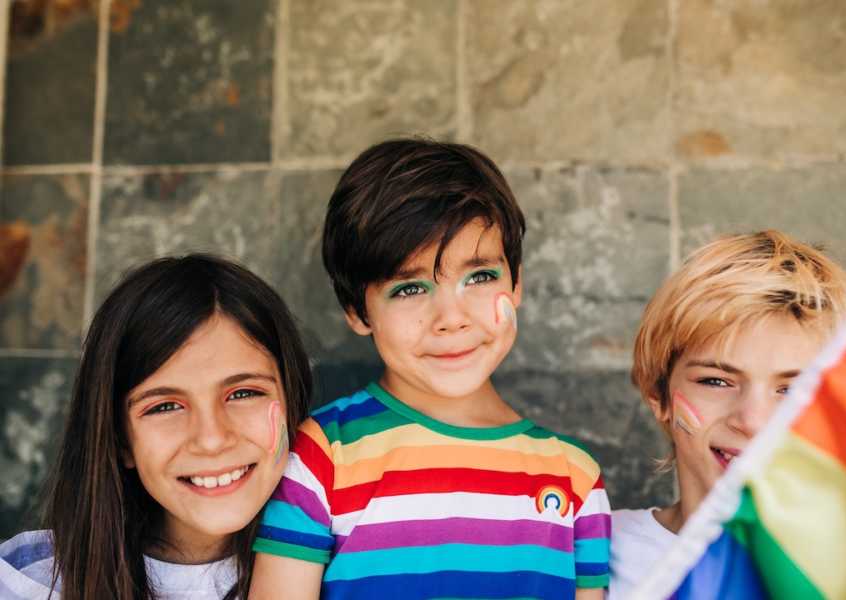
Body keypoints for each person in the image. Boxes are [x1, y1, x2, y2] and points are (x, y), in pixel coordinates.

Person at [249, 139, 611, 599]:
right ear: (358, 311)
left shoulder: (574, 480)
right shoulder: (322, 458)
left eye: (479, 277)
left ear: (516, 283)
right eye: (409, 289)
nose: (451, 318)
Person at [0, 254, 312, 600]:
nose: (211, 439)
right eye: (164, 406)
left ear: (291, 403)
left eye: (243, 393)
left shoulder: (363, 567)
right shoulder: (29, 585)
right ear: (119, 439)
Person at [608, 230, 846, 599]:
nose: (754, 421)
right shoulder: (591, 556)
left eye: (793, 390)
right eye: (716, 381)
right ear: (657, 394)